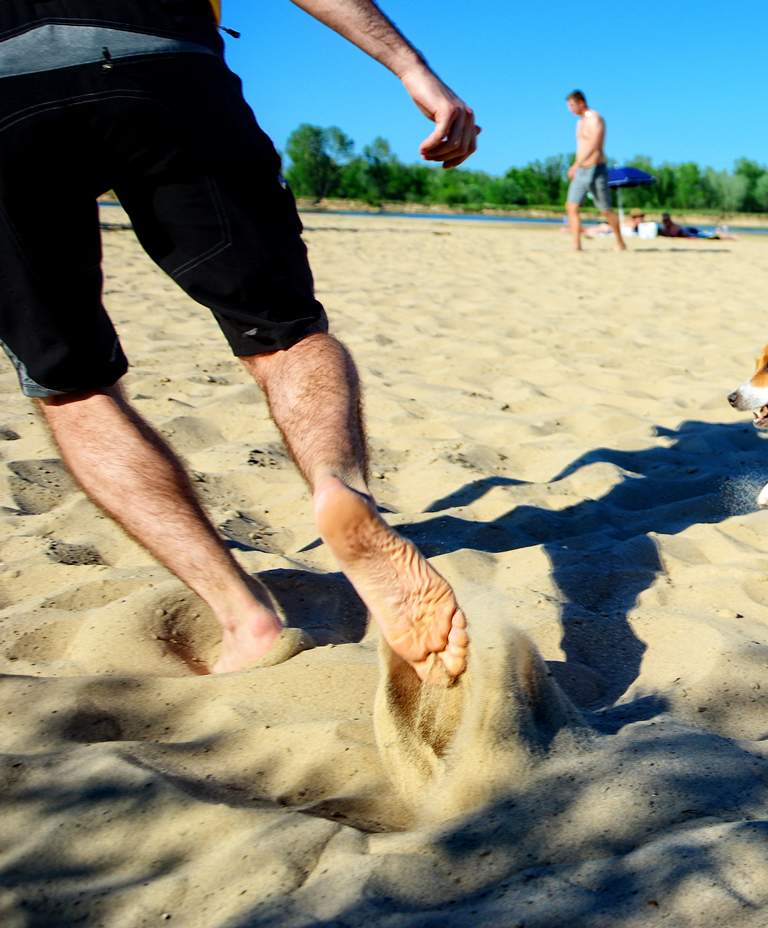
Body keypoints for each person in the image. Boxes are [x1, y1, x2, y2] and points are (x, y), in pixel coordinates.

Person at [0, 0, 479, 681]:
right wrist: (413, 70)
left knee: (72, 386)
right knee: (283, 336)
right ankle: (339, 489)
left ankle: (244, 617)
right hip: (161, 61)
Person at [564, 90, 625, 251]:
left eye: (571, 105)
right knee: (571, 207)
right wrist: (577, 165)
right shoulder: (579, 122)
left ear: (581, 102)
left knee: (605, 210)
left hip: (596, 169)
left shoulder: (595, 119)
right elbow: (581, 147)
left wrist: (577, 164)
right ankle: (576, 244)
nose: (570, 109)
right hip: (581, 170)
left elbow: (595, 145)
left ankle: (620, 242)